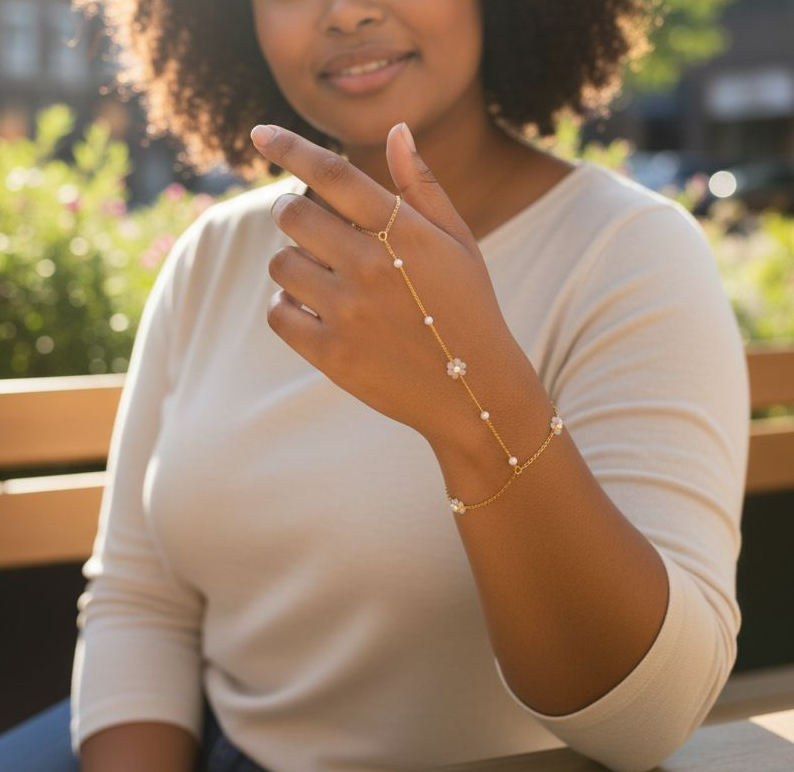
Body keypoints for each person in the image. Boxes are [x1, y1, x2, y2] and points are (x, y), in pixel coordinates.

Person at [0, 1, 750, 771]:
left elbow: (651, 720)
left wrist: (471, 395)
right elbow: (140, 602)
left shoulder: (629, 252)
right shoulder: (214, 255)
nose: (349, 11)